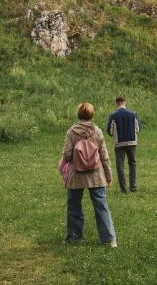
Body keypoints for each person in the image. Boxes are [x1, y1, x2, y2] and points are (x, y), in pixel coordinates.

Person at [62, 102, 117, 247]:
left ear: (78, 114)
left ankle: (74, 237)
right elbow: (104, 156)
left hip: (76, 176)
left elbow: (67, 155)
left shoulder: (71, 132)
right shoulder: (97, 132)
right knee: (101, 206)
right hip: (96, 175)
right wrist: (109, 176)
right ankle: (109, 239)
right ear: (91, 115)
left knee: (74, 206)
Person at [107, 96, 141, 193]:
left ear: (116, 103)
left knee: (120, 165)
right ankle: (133, 187)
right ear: (124, 102)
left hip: (119, 143)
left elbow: (110, 131)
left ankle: (123, 189)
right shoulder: (133, 114)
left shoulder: (113, 115)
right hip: (132, 142)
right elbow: (138, 129)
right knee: (132, 164)